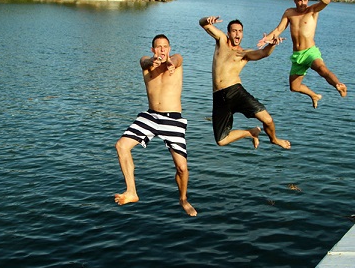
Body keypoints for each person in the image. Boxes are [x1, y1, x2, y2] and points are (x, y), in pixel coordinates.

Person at [114, 34, 198, 217]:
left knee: (182, 168)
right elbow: (143, 61)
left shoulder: (176, 61)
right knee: (121, 146)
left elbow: (177, 58)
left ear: (169, 48)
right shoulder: (146, 64)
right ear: (153, 50)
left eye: (165, 47)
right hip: (150, 116)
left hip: (173, 119)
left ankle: (183, 199)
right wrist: (152, 61)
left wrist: (171, 63)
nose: (162, 50)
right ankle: (131, 191)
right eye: (158, 47)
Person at [199, 16, 291, 150]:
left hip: (236, 92)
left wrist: (272, 44)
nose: (237, 34)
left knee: (268, 120)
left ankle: (274, 139)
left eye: (240, 31)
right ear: (228, 33)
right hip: (219, 97)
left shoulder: (243, 53)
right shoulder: (221, 41)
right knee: (221, 140)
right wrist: (207, 20)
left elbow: (264, 53)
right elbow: (202, 24)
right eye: (234, 31)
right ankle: (250, 132)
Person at [263, 0, 347, 109]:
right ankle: (314, 96)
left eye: (305, 0)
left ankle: (338, 85)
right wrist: (266, 40)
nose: (302, 3)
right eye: (299, 0)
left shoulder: (312, 10)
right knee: (294, 87)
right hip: (297, 55)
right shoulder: (289, 13)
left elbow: (326, 1)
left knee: (321, 68)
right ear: (295, 1)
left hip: (310, 52)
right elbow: (278, 30)